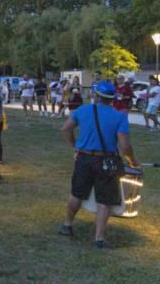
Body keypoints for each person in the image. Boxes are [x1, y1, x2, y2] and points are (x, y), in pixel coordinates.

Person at [59, 81, 141, 249]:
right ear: (112, 99)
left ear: (95, 96)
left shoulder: (82, 110)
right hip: (106, 162)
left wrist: (75, 146)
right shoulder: (119, 116)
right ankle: (99, 239)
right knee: (105, 200)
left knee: (77, 192)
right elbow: (125, 146)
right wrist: (133, 161)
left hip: (84, 159)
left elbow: (65, 129)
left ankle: (67, 225)